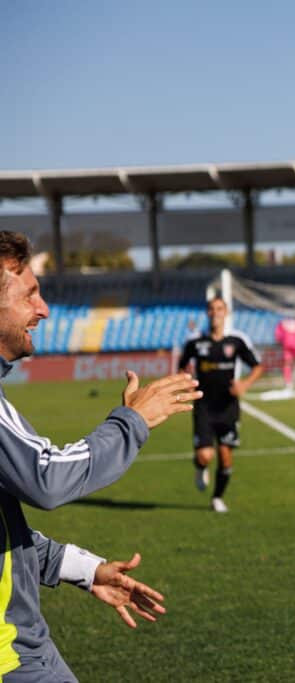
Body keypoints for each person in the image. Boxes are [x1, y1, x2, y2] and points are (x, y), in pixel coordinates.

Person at [0, 230, 199, 681]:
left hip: (24, 644)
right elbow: (45, 478)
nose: (44, 309)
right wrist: (133, 422)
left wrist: (85, 569)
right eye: (30, 295)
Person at [179, 296, 264, 513]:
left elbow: (258, 367)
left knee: (226, 457)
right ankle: (200, 467)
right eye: (211, 308)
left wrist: (244, 385)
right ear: (207, 313)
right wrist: (185, 383)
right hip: (204, 407)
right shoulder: (195, 342)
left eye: (219, 308)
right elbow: (182, 367)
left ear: (226, 313)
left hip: (228, 408)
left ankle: (217, 497)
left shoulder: (237, 340)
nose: (215, 312)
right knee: (205, 455)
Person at [274, 317, 295, 390]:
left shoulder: (282, 324)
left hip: (288, 346)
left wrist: (281, 341)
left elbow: (278, 336)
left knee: (288, 365)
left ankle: (289, 382)